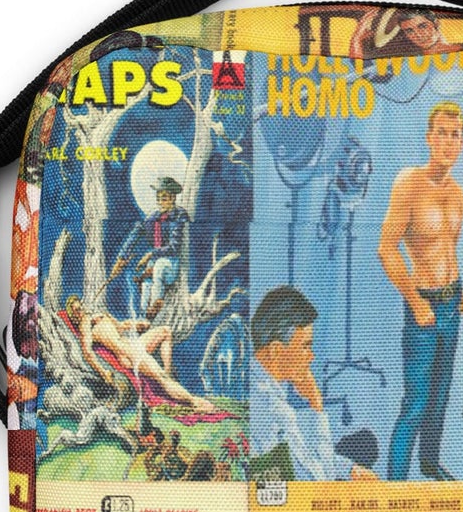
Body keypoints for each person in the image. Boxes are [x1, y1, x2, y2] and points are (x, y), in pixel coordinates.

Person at [378, 103, 463, 481]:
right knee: (416, 401)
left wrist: (461, 290)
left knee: (440, 396)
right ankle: (395, 484)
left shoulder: (459, 194)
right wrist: (415, 302)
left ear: (462, 143)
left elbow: (448, 247)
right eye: (441, 133)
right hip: (424, 306)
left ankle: (429, 465)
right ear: (429, 138)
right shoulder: (409, 183)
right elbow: (386, 248)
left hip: (451, 301)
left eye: (455, 135)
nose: (448, 142)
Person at [249, 286, 374, 481]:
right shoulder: (270, 410)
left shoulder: (259, 388)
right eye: (305, 346)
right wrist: (316, 403)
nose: (311, 356)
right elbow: (319, 479)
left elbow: (302, 460)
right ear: (276, 351)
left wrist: (349, 468)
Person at [63, 295, 217, 414]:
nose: (80, 312)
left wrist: (138, 325)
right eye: (76, 311)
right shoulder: (85, 326)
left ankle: (168, 374)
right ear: (73, 316)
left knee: (165, 332)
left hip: (133, 344)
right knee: (160, 377)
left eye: (80, 307)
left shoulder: (97, 316)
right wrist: (103, 372)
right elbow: (87, 353)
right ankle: (193, 402)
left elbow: (121, 326)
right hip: (128, 354)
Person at [111, 174, 189, 319]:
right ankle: (143, 314)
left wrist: (150, 254)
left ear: (173, 198)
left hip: (172, 263)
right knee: (146, 278)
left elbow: (174, 247)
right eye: (158, 198)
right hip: (156, 261)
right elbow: (135, 233)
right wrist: (121, 258)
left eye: (164, 198)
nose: (160, 202)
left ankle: (155, 306)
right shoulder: (153, 217)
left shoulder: (179, 216)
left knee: (158, 267)